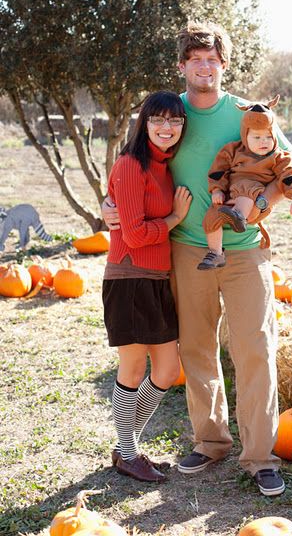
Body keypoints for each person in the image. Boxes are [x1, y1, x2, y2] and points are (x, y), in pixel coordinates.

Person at [103, 21, 292, 496]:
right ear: (182, 65)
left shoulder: (245, 113)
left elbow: (291, 167)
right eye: (195, 59)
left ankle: (260, 457)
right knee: (195, 349)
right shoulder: (170, 113)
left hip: (244, 251)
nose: (204, 67)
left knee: (255, 350)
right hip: (186, 250)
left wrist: (263, 203)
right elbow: (134, 165)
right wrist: (110, 205)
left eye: (212, 59)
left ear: (224, 65)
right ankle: (210, 441)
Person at [102, 90, 192, 483]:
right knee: (134, 367)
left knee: (169, 369)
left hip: (157, 279)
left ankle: (127, 446)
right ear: (144, 123)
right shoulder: (129, 165)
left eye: (175, 121)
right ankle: (127, 451)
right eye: (158, 120)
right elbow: (135, 237)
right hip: (129, 278)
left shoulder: (165, 167)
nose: (167, 128)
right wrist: (174, 218)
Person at [197, 94, 292, 270]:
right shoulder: (233, 150)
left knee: (246, 187)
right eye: (257, 137)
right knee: (211, 216)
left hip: (255, 196)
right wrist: (217, 190)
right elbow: (218, 171)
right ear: (245, 136)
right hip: (230, 196)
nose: (264, 142)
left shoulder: (278, 156)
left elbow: (289, 175)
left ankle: (239, 216)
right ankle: (216, 253)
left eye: (268, 137)